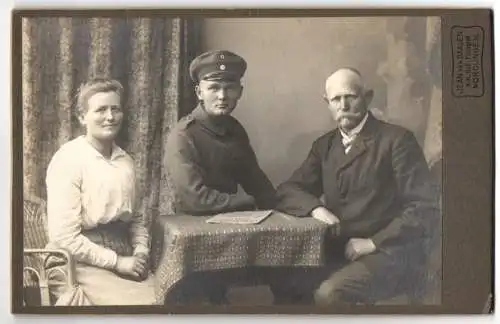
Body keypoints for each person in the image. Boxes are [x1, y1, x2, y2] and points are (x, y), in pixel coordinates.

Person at [274, 68, 441, 305]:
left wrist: (373, 242)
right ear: (327, 103)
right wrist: (316, 209)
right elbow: (288, 189)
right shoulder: (325, 146)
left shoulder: (397, 141)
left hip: (391, 253)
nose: (343, 105)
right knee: (284, 284)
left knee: (329, 294)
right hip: (340, 248)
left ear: (367, 97)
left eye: (350, 96)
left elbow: (425, 206)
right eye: (335, 99)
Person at [164, 50, 277, 304]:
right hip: (195, 240)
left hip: (233, 234)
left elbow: (256, 181)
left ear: (240, 91)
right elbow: (196, 200)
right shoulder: (184, 136)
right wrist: (245, 202)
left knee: (287, 276)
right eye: (214, 87)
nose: (223, 96)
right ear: (199, 92)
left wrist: (286, 207)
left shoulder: (235, 130)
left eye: (230, 87)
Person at [45, 78, 156, 306]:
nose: (110, 117)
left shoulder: (126, 161)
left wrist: (141, 252)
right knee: (143, 308)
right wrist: (117, 262)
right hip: (76, 262)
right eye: (100, 110)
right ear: (82, 117)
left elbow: (136, 219)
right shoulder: (69, 159)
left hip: (123, 252)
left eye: (115, 109)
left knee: (166, 300)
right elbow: (64, 238)